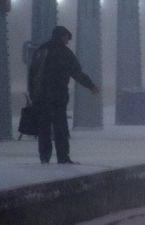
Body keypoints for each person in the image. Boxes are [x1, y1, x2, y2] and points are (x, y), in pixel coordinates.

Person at [27, 25, 99, 164]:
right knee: (60, 127)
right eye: (67, 38)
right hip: (57, 96)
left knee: (44, 129)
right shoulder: (65, 53)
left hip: (41, 96)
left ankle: (44, 157)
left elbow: (32, 73)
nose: (67, 41)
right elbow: (76, 73)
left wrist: (32, 94)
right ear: (62, 37)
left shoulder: (41, 51)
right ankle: (63, 157)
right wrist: (91, 86)